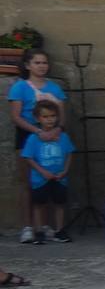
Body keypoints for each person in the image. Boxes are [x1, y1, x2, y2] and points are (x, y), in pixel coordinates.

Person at [9, 47, 67, 245]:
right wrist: (38, 132)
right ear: (27, 65)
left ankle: (48, 226)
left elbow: (61, 113)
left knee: (51, 181)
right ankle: (28, 226)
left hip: (53, 136)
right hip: (29, 134)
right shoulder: (20, 87)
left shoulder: (54, 89)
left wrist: (57, 129)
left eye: (44, 62)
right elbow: (16, 116)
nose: (42, 66)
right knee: (28, 182)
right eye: (37, 62)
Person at [20, 102, 75, 244]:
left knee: (59, 204)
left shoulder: (63, 137)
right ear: (38, 118)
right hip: (40, 178)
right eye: (45, 117)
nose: (50, 120)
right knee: (39, 204)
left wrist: (65, 170)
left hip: (59, 177)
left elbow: (69, 153)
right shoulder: (33, 138)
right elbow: (28, 157)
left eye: (53, 116)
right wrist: (42, 171)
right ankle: (39, 231)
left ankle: (59, 230)